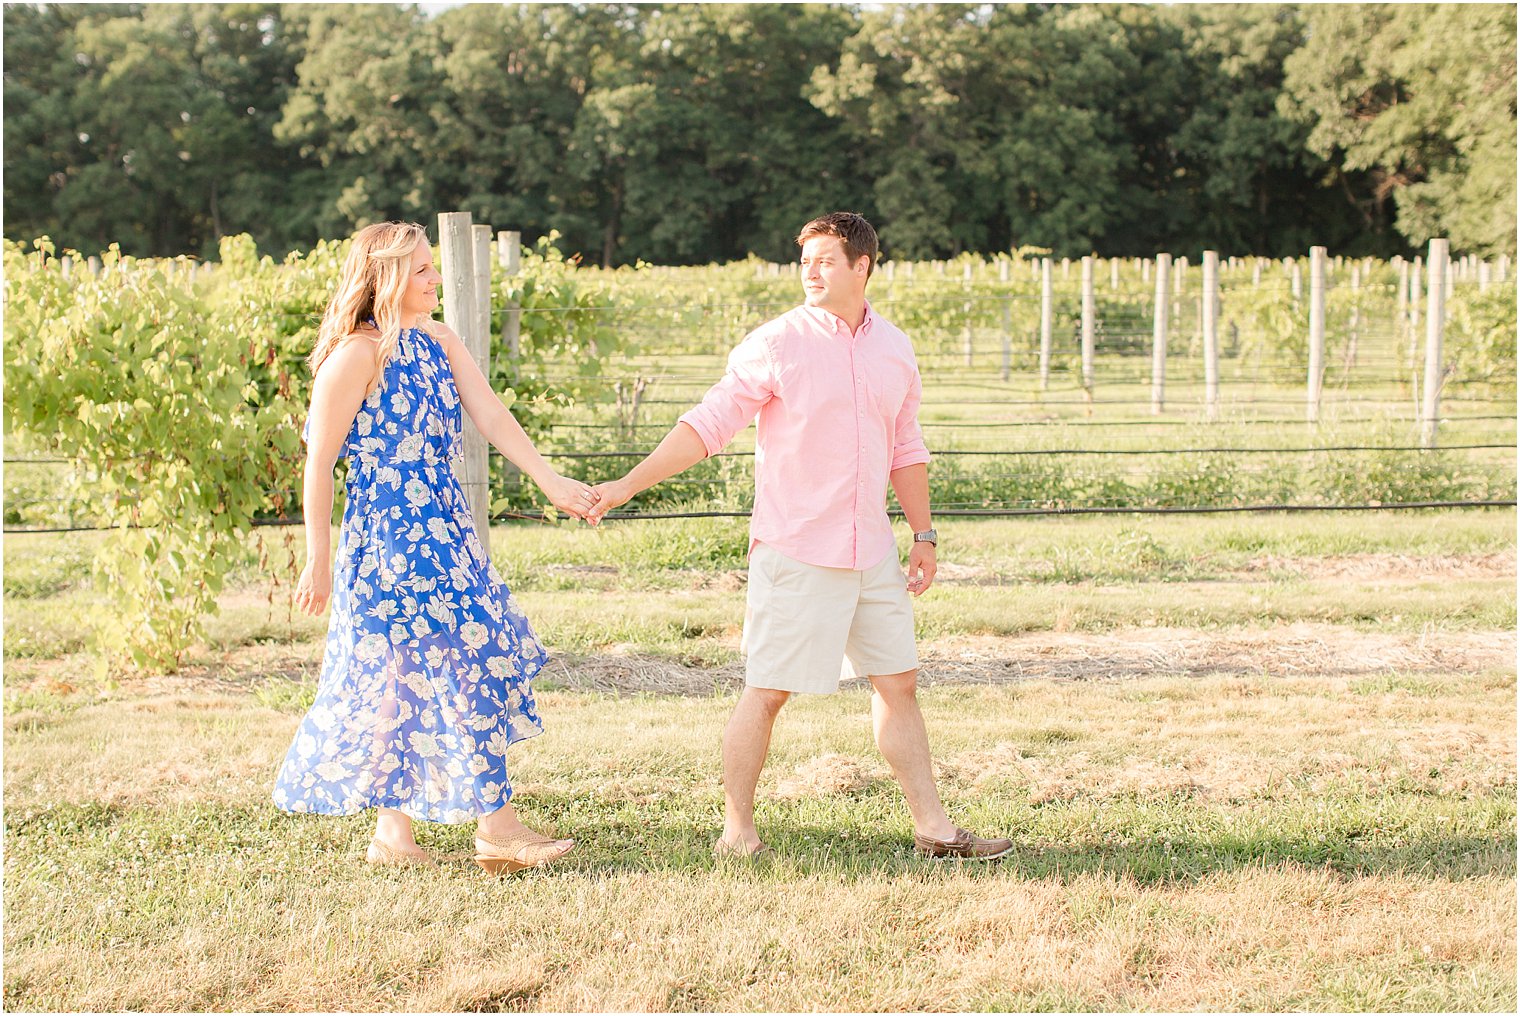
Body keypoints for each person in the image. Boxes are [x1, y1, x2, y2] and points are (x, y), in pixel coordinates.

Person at [587, 212, 1011, 861]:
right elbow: (709, 424)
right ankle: (737, 831)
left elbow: (906, 444)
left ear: (862, 265)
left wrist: (923, 534)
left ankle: (934, 829)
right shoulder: (777, 343)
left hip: (872, 550)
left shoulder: (894, 347)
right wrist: (626, 485)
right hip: (796, 549)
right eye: (804, 259)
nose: (810, 271)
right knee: (768, 690)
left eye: (825, 259)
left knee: (898, 685)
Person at [272, 221, 600, 872]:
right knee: (457, 665)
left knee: (413, 675)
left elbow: (493, 416)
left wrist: (550, 479)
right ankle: (497, 830)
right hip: (390, 543)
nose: (434, 279)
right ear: (387, 278)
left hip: (446, 530)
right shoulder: (356, 356)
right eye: (422, 270)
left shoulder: (439, 340)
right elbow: (318, 464)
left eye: (432, 267)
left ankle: (394, 838)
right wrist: (316, 558)